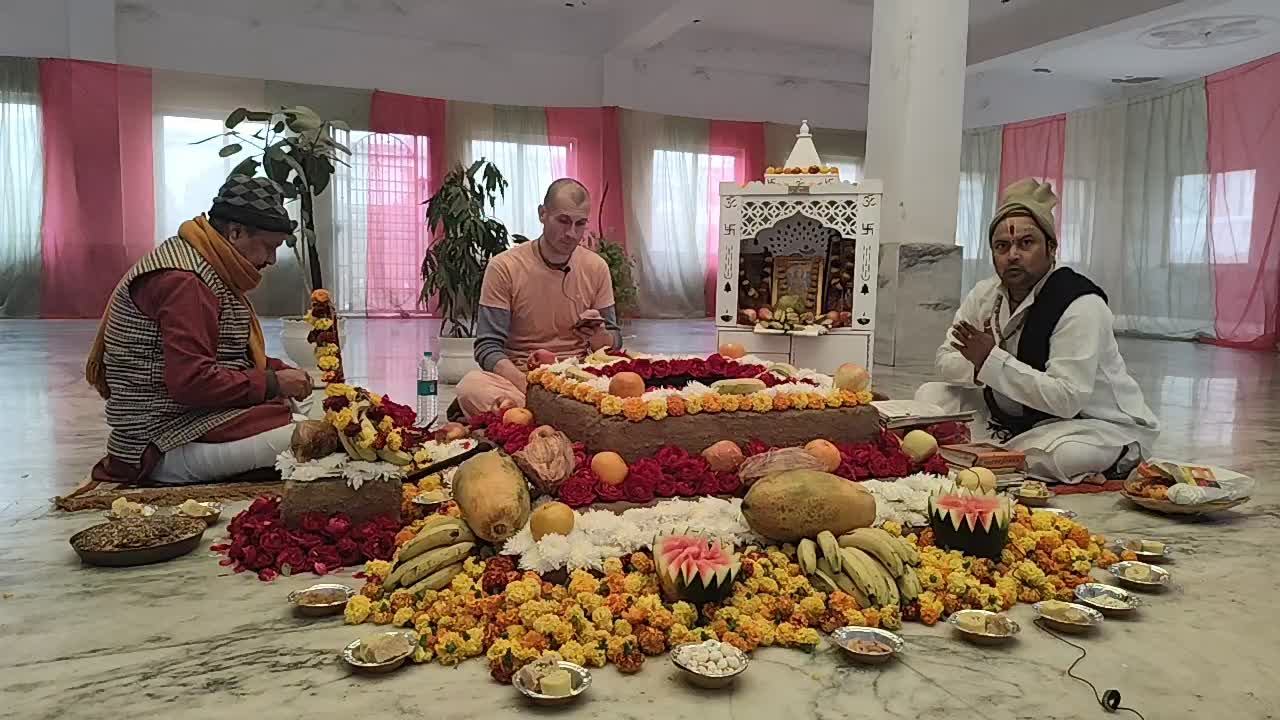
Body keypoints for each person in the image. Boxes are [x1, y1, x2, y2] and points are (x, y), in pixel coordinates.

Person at [915, 178, 1158, 484]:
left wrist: (991, 361)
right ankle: (1001, 454)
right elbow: (944, 359)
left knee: (1061, 455)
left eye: (1026, 243)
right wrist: (978, 367)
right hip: (1010, 417)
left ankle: (1117, 455)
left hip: (1088, 424)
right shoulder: (985, 295)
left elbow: (1067, 399)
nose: (1013, 255)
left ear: (1051, 248)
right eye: (1002, 246)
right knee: (929, 397)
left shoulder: (1080, 304)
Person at [86, 175, 314, 485]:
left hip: (197, 419)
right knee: (312, 437)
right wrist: (273, 382)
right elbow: (192, 382)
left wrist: (280, 373)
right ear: (235, 232)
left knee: (318, 405)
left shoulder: (209, 263)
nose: (272, 260)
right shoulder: (185, 281)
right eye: (268, 247)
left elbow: (226, 355)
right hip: (161, 441)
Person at [455, 178, 622, 418]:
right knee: (471, 387)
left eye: (580, 224)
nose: (571, 233)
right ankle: (561, 415)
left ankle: (534, 416)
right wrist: (532, 390)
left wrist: (600, 334)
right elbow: (487, 347)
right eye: (563, 221)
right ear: (543, 214)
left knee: (632, 380)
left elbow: (613, 342)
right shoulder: (504, 267)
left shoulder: (596, 267)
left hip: (581, 379)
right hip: (522, 378)